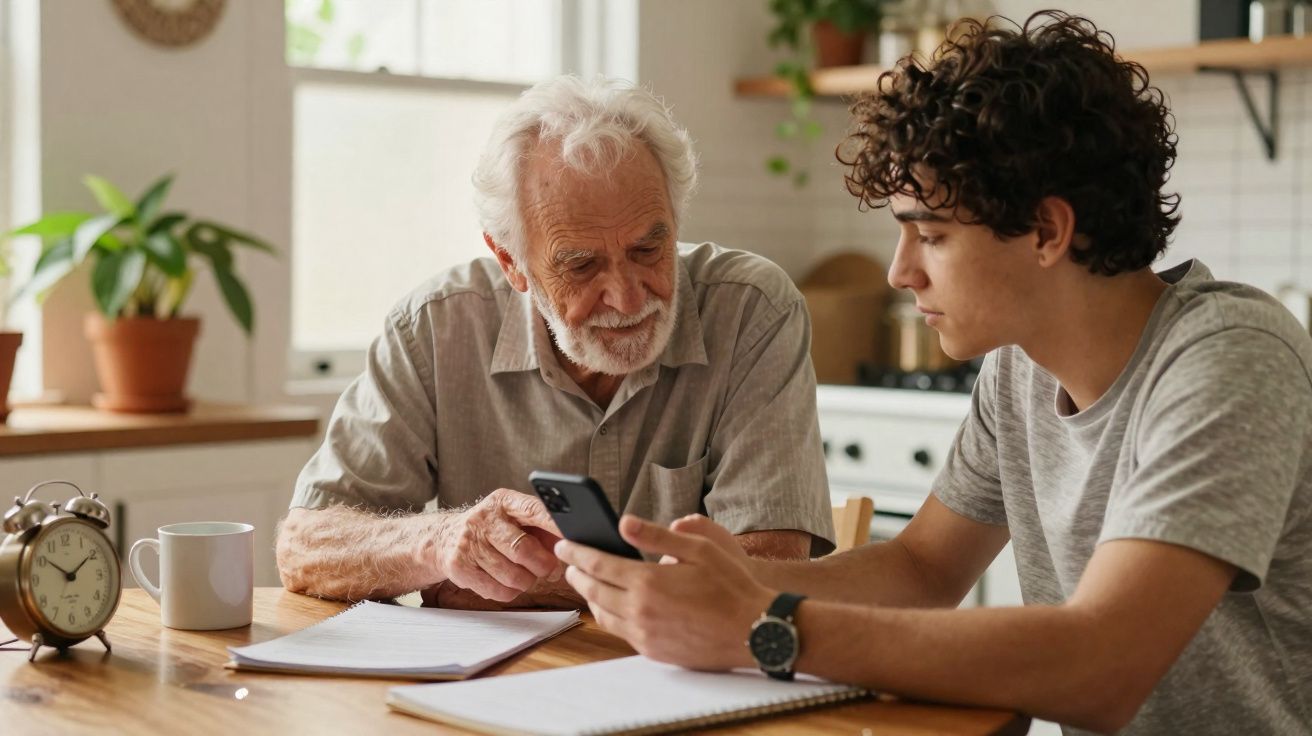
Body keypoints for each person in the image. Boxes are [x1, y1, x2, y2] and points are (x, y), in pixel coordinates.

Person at [556, 12, 1312, 735]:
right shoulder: (1018, 371)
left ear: (1047, 230)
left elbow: (1103, 666)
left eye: (933, 234)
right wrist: (731, 585)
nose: (899, 272)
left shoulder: (1229, 357)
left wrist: (765, 627)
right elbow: (921, 570)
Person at [276, 76, 836, 609]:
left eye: (648, 250)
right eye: (582, 265)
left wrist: (532, 584)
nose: (626, 296)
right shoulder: (434, 327)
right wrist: (438, 542)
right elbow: (305, 548)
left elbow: (770, 567)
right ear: (510, 262)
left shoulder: (751, 311)